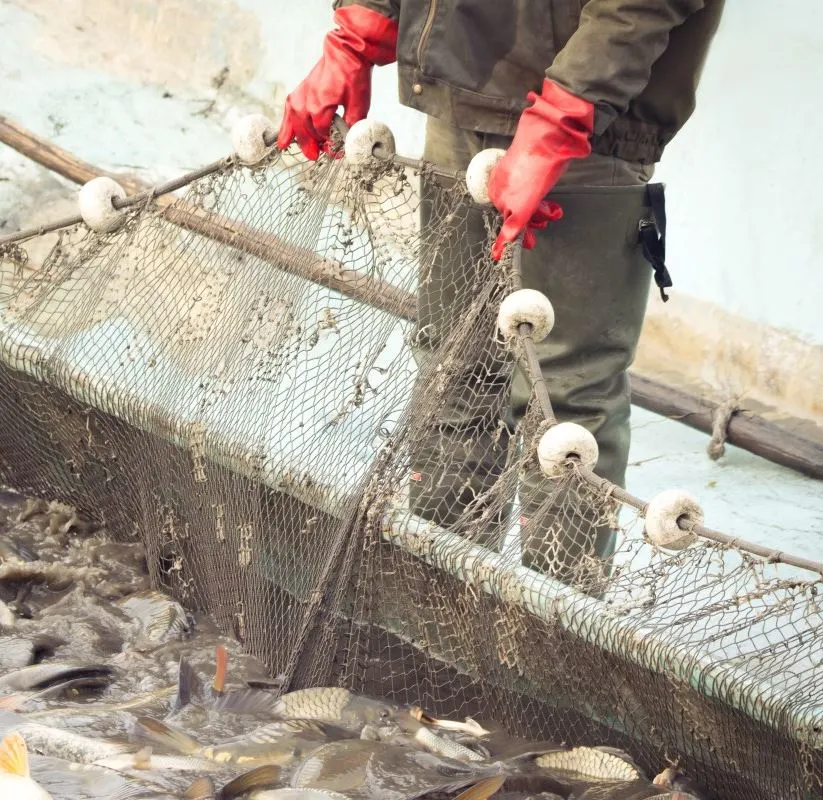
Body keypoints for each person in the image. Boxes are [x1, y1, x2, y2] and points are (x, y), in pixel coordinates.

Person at [277, 0, 725, 582]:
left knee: (566, 406)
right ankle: (439, 617)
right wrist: (359, 32)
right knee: (454, 369)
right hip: (460, 88)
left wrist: (561, 118)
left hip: (593, 126)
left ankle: (554, 640)